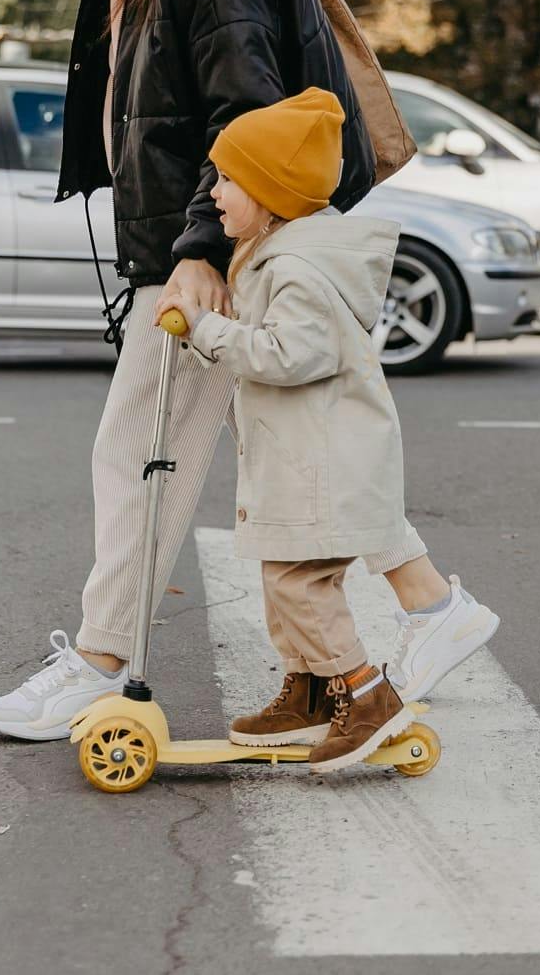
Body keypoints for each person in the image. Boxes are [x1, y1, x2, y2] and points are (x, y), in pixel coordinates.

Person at [0, 0, 499, 742]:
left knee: (140, 455)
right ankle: (431, 607)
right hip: (232, 239)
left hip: (228, 247)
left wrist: (200, 255)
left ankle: (100, 660)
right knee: (299, 457)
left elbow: (244, 115)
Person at [179, 88, 419, 772]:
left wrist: (208, 328)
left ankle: (364, 693)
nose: (215, 191)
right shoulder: (270, 256)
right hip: (301, 459)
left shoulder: (299, 270)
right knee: (281, 578)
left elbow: (289, 354)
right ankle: (311, 689)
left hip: (326, 465)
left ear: (272, 191)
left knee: (299, 583)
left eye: (229, 179)